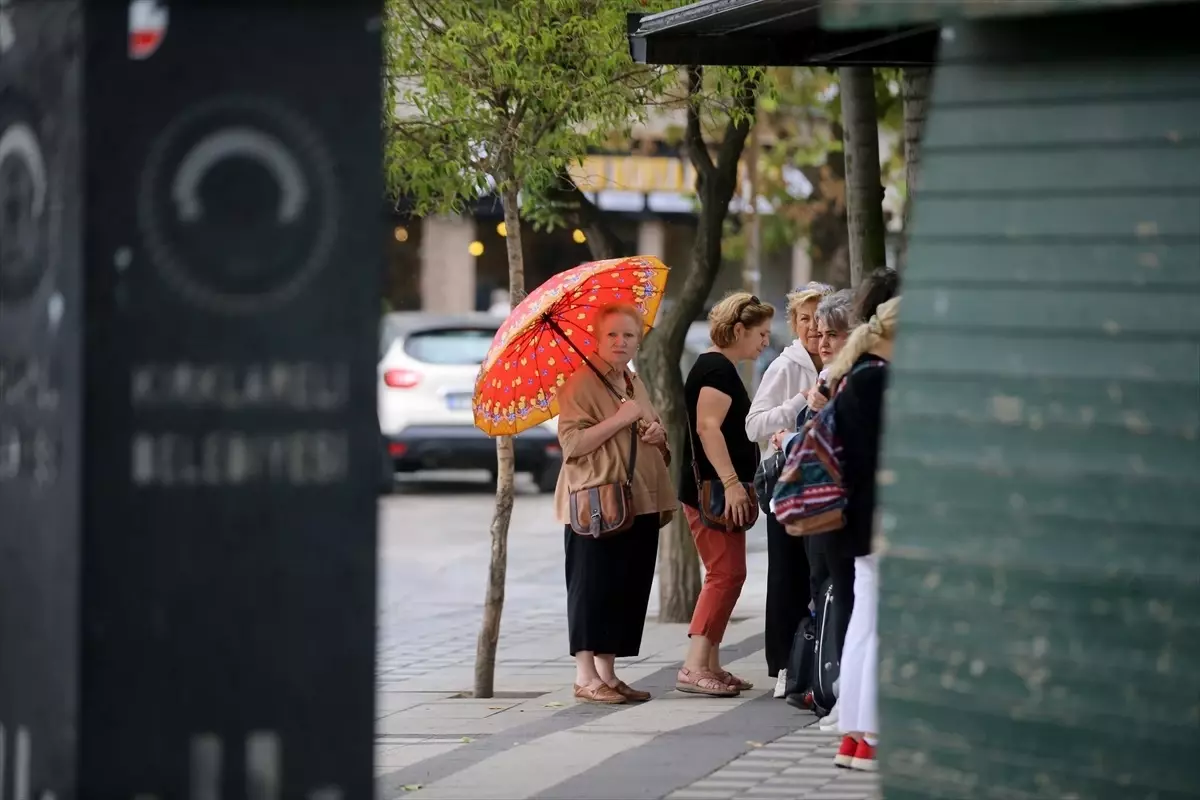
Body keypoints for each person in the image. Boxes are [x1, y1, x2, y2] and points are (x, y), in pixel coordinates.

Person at [554, 303, 677, 705]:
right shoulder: (580, 383)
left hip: (638, 496)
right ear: (595, 338)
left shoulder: (631, 381)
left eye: (628, 335)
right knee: (593, 585)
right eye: (612, 335)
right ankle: (585, 675)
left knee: (625, 585)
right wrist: (622, 419)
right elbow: (572, 445)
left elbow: (646, 423)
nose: (621, 342)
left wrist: (658, 434)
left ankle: (607, 672)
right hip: (598, 500)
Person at [676, 292, 775, 697]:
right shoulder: (716, 369)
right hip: (712, 493)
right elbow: (707, 427)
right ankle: (694, 666)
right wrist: (733, 483)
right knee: (725, 574)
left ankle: (711, 664)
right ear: (738, 330)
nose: (766, 341)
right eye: (761, 333)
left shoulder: (719, 366)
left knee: (730, 574)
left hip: (715, 490)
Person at [745, 281, 834, 697]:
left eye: (819, 318)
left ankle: (815, 661)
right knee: (786, 575)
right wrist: (799, 401)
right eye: (804, 319)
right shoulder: (786, 366)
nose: (813, 328)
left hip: (827, 485)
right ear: (793, 323)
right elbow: (754, 425)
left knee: (819, 573)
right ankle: (784, 664)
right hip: (788, 483)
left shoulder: (839, 362)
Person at [826, 295, 901, 771]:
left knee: (864, 623)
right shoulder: (883, 381)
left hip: (854, 516)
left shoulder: (854, 375)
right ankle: (871, 734)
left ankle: (852, 734)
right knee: (880, 625)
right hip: (883, 515)